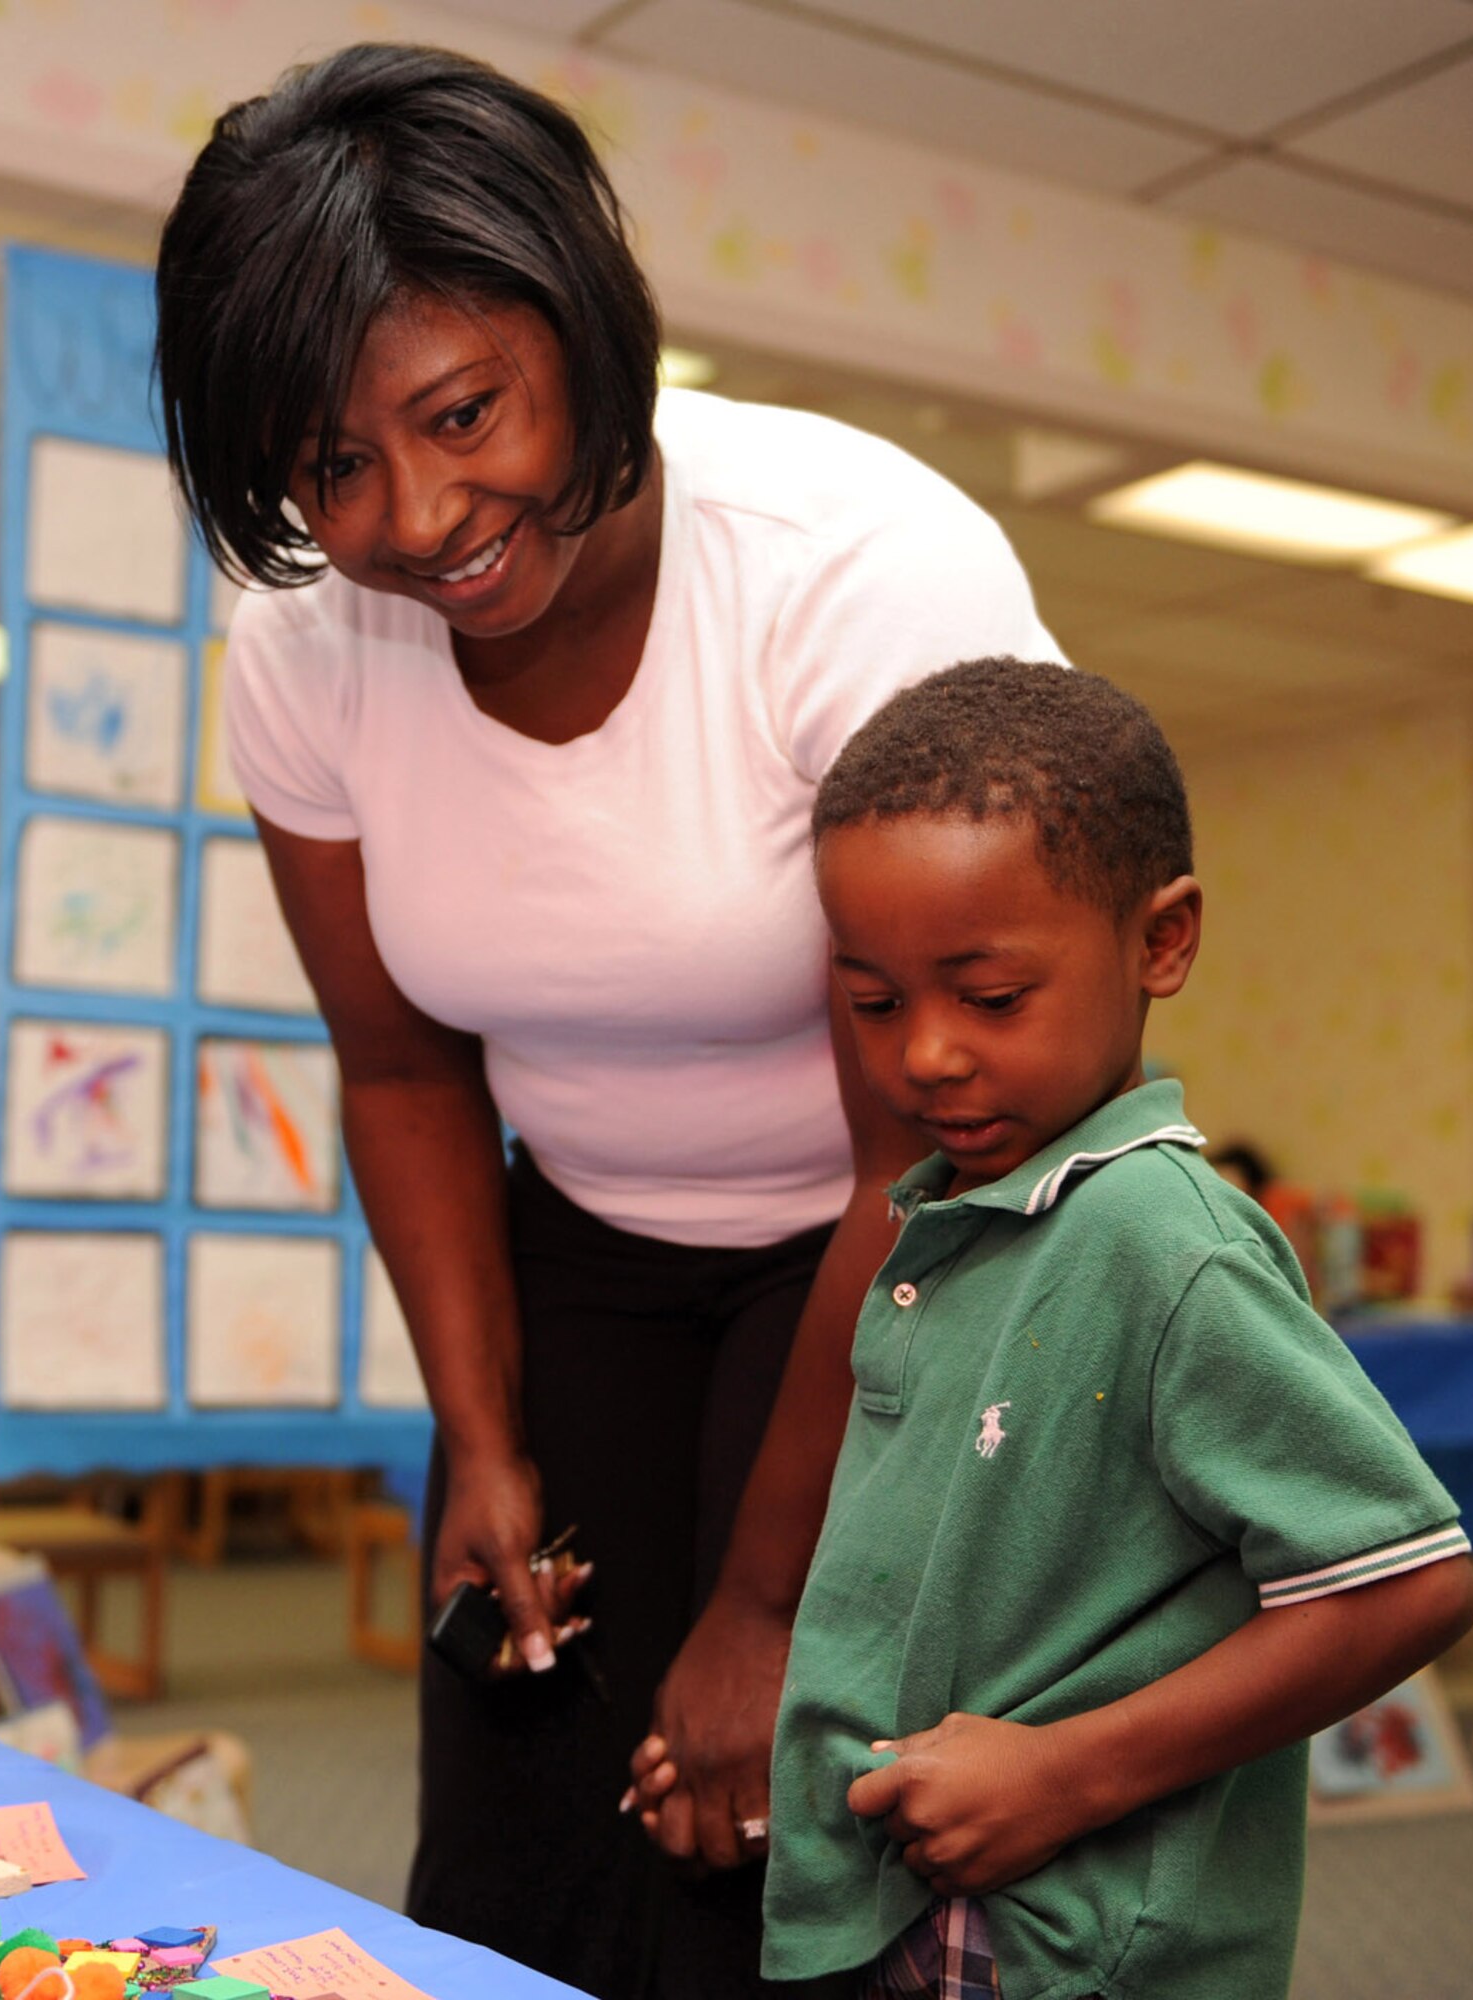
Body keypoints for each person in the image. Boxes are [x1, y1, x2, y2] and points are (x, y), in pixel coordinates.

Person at [152, 43, 1060, 1998]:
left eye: (460, 410)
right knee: (510, 1824)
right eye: (329, 466)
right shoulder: (307, 645)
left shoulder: (854, 572)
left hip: (902, 1237)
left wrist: (754, 1605)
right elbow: (402, 1065)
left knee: (760, 1831)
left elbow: (940, 1136)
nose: (415, 517)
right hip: (575, 1241)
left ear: (577, 310)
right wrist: (480, 1431)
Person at [759, 659, 1473, 1998]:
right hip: (925, 1916)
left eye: (988, 998)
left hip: (1065, 1947)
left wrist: (1063, 1771)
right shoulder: (956, 1216)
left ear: (1162, 942)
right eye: (874, 1002)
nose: (923, 1055)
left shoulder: (1158, 1237)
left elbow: (1406, 1580)